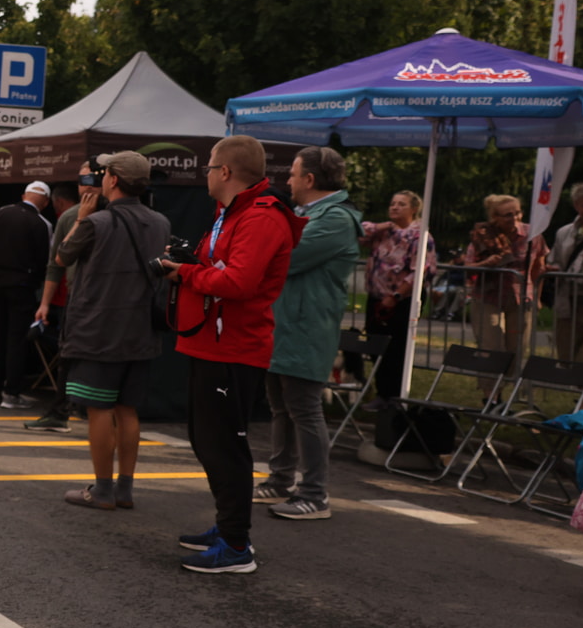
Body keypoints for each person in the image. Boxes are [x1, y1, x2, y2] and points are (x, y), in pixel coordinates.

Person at [162, 135, 303, 574]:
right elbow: (222, 268)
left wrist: (185, 273)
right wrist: (189, 264)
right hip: (215, 341)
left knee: (224, 445)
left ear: (224, 171)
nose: (205, 173)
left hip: (234, 345)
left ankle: (236, 544)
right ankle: (228, 530)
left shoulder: (260, 217)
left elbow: (239, 282)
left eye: (208, 166)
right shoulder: (235, 213)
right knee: (208, 440)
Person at [53, 154, 169, 509]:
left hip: (98, 330)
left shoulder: (96, 222)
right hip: (141, 330)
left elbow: (62, 256)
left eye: (104, 174)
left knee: (99, 409)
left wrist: (82, 217)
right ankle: (124, 488)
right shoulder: (160, 222)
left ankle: (102, 489)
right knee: (127, 409)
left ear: (114, 180)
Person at [257, 147, 361, 522]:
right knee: (281, 406)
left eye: (293, 174)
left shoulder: (335, 218)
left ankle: (315, 494)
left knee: (303, 407)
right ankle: (281, 479)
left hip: (306, 328)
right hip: (285, 324)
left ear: (310, 179)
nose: (288, 181)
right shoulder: (306, 214)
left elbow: (286, 256)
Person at [353, 190, 436, 396]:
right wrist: (381, 226)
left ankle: (393, 395)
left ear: (414, 209)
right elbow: (357, 233)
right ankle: (382, 392)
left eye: (401, 204)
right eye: (393, 203)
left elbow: (421, 271)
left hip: (401, 299)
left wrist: (396, 296)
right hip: (377, 297)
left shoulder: (419, 236)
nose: (395, 207)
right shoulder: (384, 232)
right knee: (374, 344)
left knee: (395, 349)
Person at [0, 180, 53, 407]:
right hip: (22, 286)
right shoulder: (42, 224)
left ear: (24, 195)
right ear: (46, 202)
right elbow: (45, 260)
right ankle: (11, 393)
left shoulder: (2, 213)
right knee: (17, 339)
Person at [461, 193, 543, 384]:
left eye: (517, 213)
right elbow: (467, 267)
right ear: (494, 217)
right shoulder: (482, 235)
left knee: (516, 349)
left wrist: (537, 296)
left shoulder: (533, 234)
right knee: (490, 348)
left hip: (521, 297)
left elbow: (539, 266)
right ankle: (490, 394)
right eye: (507, 215)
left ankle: (505, 386)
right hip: (488, 296)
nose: (514, 218)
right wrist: (486, 263)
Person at [26, 182, 83, 432]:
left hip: (77, 298)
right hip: (82, 299)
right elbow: (57, 262)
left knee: (70, 355)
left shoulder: (71, 218)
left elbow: (58, 259)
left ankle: (63, 410)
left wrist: (45, 303)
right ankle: (65, 409)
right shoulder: (153, 221)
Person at [546, 181, 583, 366]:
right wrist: (552, 269)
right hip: (569, 302)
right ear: (577, 206)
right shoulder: (564, 232)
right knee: (567, 358)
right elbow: (554, 260)